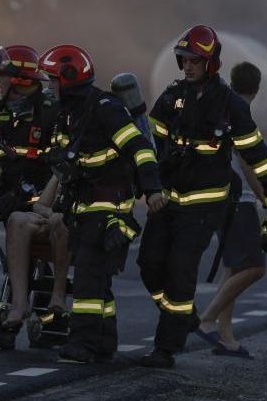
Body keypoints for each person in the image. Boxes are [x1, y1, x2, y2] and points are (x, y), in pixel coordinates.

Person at [138, 25, 267, 369]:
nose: (188, 66)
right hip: (167, 200)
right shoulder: (171, 96)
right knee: (149, 264)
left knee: (180, 270)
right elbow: (148, 145)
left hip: (204, 206)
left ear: (211, 62)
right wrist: (148, 186)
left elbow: (257, 156)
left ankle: (165, 348)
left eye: (195, 60)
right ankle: (182, 316)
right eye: (184, 60)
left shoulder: (230, 105)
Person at [34, 44, 165, 364]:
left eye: (52, 80)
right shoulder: (68, 113)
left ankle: (84, 343)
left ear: (68, 78)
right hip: (85, 207)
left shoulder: (105, 108)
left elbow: (139, 148)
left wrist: (152, 190)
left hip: (109, 209)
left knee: (89, 276)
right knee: (98, 277)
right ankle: (105, 340)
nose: (48, 87)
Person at [0, 45, 70, 350]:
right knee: (23, 251)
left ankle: (30, 315)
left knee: (32, 252)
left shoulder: (53, 112)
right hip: (13, 203)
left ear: (19, 79)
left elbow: (65, 166)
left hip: (48, 204)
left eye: (1, 75)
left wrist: (28, 197)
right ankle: (31, 315)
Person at [195, 61, 267, 359]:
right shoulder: (241, 114)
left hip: (219, 198)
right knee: (255, 267)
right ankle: (207, 319)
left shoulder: (222, 109)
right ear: (257, 89)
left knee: (234, 267)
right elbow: (247, 165)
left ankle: (226, 338)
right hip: (238, 201)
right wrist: (266, 198)